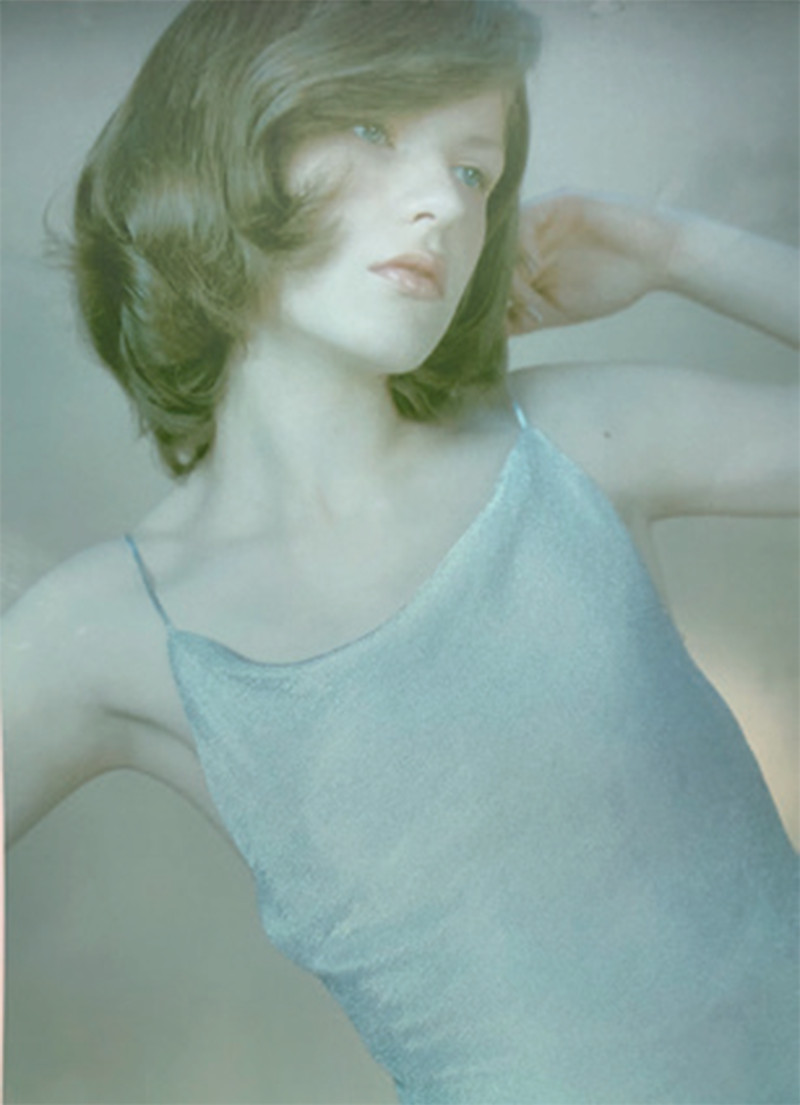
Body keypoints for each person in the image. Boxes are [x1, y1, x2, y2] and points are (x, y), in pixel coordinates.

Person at [3, 1, 798, 1101]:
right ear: (222, 138)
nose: (442, 204)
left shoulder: (571, 441)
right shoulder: (111, 629)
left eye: (474, 171)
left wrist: (670, 249)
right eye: (374, 130)